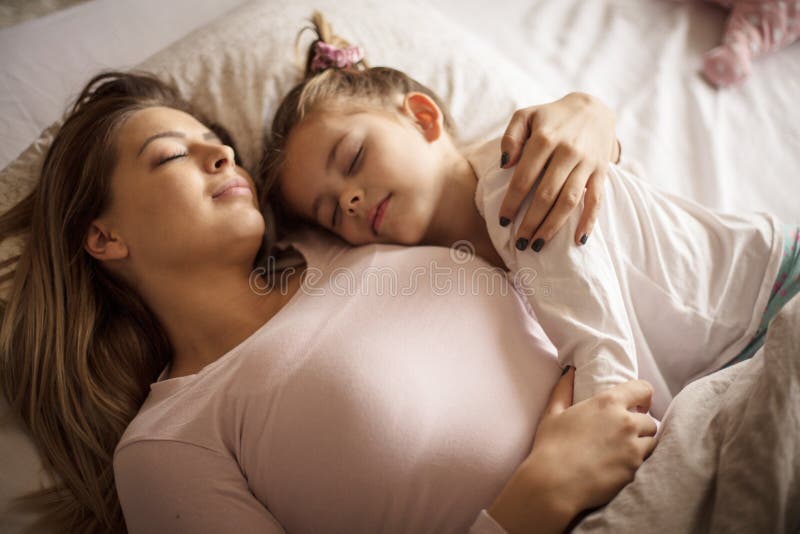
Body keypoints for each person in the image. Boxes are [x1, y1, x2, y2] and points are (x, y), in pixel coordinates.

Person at [0, 71, 653, 534]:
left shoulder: (350, 229)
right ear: (105, 236)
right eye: (171, 155)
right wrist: (534, 503)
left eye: (218, 142)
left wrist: (588, 114)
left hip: (683, 427)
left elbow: (470, 174)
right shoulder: (168, 448)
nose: (221, 152)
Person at [262, 13, 799, 411]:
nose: (351, 200)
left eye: (354, 159)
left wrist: (592, 447)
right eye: (332, 211)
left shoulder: (511, 180)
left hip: (763, 294)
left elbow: (600, 348)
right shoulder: (454, 266)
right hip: (724, 350)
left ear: (423, 117)